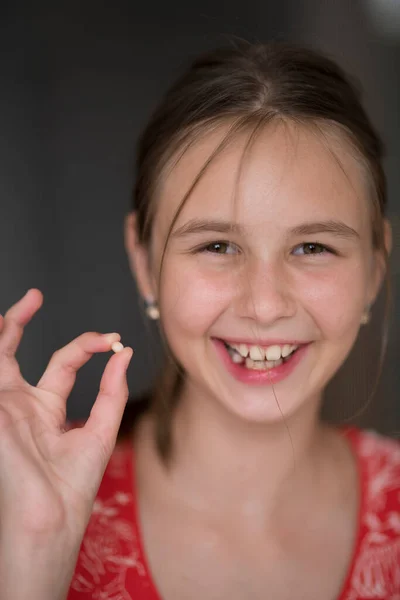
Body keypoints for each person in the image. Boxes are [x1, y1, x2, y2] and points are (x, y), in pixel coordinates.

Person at [0, 40, 399, 600]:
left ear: (377, 266)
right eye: (217, 245)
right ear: (144, 263)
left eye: (312, 247)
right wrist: (32, 562)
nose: (264, 305)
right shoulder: (22, 511)